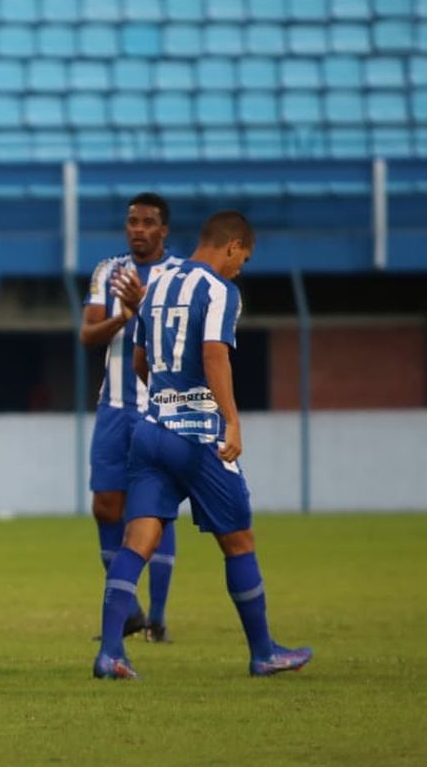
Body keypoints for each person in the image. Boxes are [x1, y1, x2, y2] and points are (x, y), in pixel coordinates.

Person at [95, 211, 312, 680]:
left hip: (149, 431)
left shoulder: (158, 283)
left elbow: (139, 359)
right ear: (231, 246)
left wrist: (164, 397)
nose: (241, 269)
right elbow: (215, 355)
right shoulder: (219, 290)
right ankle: (263, 652)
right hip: (197, 437)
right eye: (244, 259)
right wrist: (231, 422)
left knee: (138, 540)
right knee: (239, 541)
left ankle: (111, 652)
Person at [81, 192, 185, 643]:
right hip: (114, 407)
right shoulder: (108, 271)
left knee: (155, 510)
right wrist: (122, 317)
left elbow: (185, 335)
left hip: (160, 408)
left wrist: (143, 309)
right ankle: (132, 612)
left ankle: (157, 617)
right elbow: (88, 335)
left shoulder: (180, 277)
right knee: (106, 505)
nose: (137, 229)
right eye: (131, 221)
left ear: (164, 230)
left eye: (147, 222)